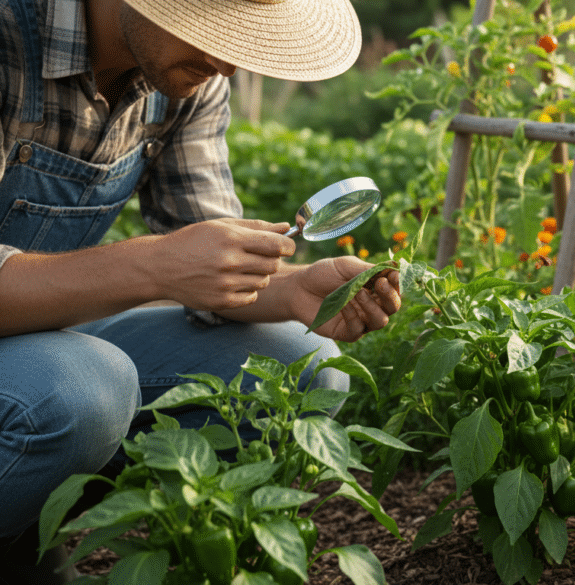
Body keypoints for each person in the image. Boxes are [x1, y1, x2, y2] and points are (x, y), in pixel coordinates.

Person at [0, 0, 400, 581]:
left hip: (41, 341)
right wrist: (153, 266)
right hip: (48, 361)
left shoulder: (184, 75)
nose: (227, 62)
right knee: (84, 388)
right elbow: (163, 268)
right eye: (206, 25)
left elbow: (208, 258)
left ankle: (26, 537)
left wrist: (292, 289)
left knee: (302, 365)